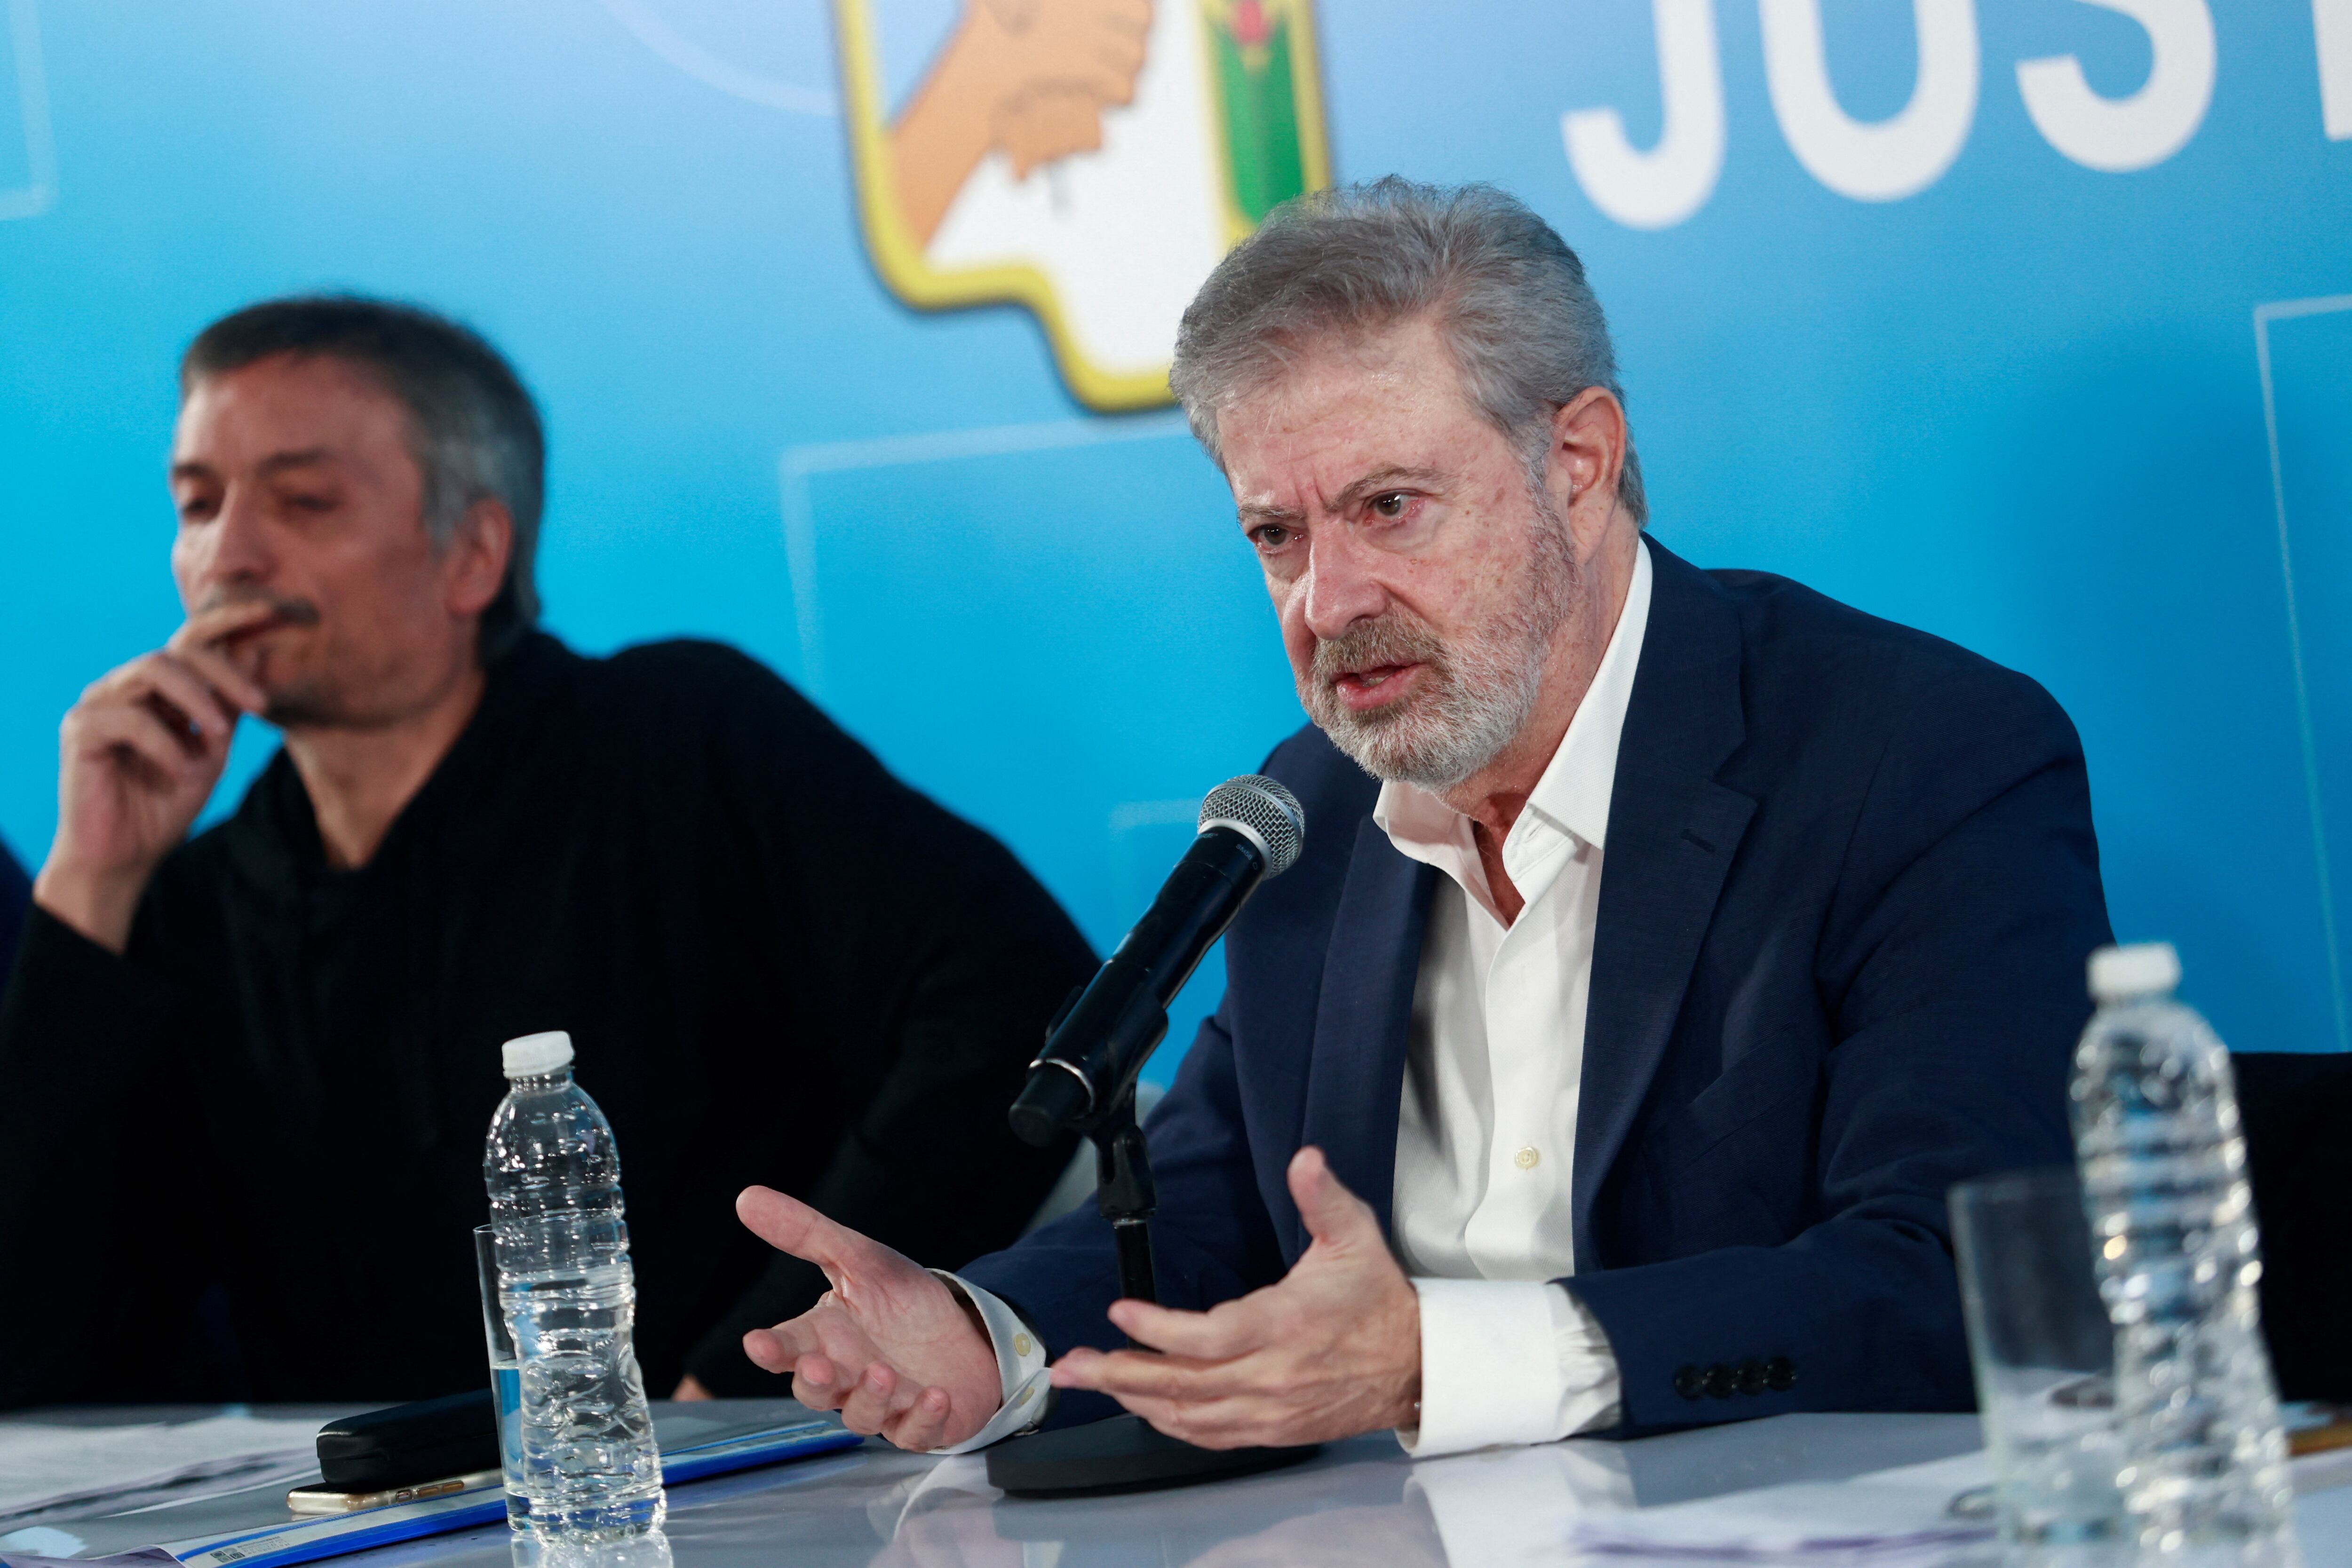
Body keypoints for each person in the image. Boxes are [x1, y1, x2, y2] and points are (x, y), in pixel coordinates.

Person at [723, 179, 2114, 1456]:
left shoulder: (1914, 755)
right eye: (1278, 534)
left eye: (1391, 506)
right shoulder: (1311, 804)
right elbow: (1220, 1204)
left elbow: (1953, 1274)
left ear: (1576, 462)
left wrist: (1435, 1359)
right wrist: (986, 1335)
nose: (1328, 602)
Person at [0, 297, 1095, 1409]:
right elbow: (44, 1354)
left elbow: (1016, 1003)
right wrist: (90, 881)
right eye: (198, 503)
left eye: (303, 500)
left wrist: (752, 1367)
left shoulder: (680, 742)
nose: (227, 552)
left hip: (753, 1489)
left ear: (472, 552)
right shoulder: (186, 902)